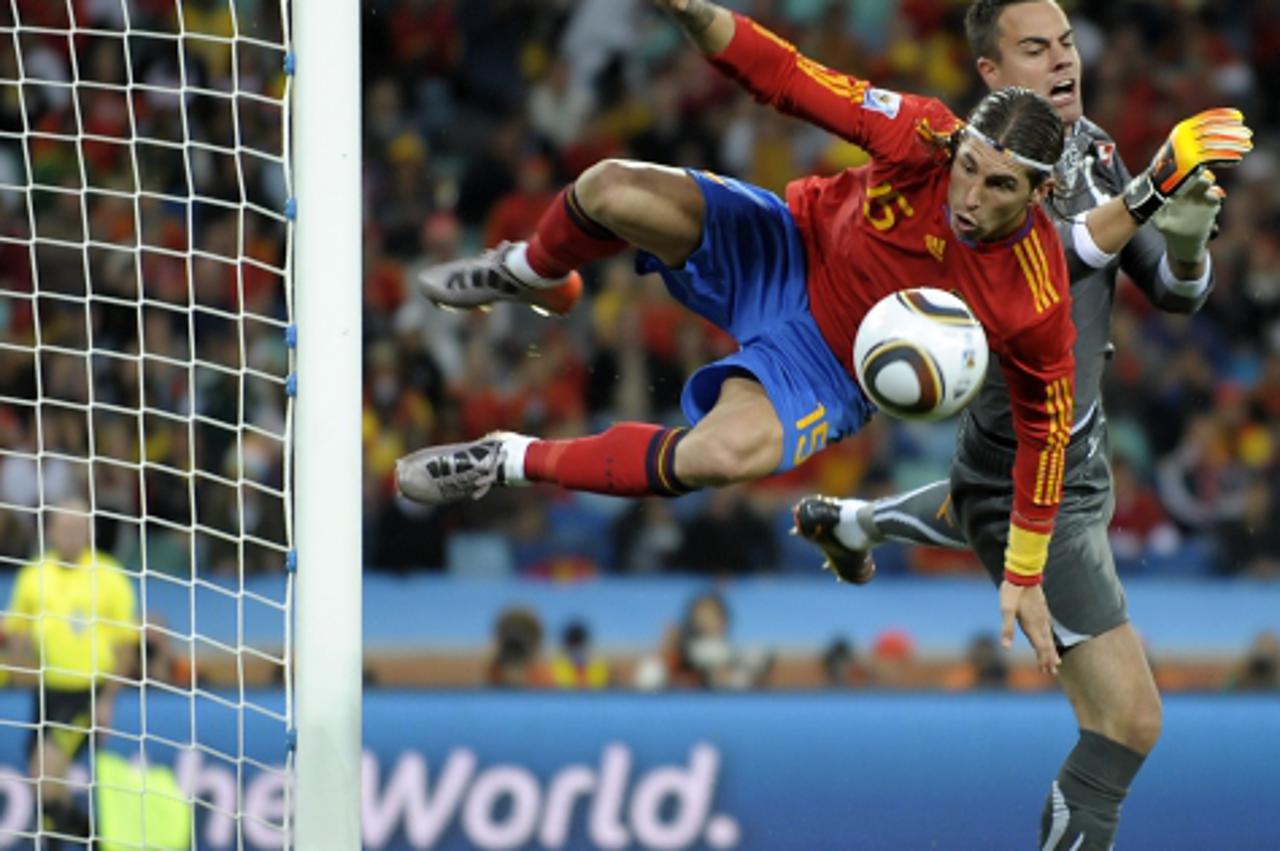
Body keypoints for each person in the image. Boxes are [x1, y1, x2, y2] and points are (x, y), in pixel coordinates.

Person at [398, 0, 1245, 670]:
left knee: (716, 459)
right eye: (970, 169)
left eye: (999, 188)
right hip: (789, 245)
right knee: (610, 187)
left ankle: (503, 457)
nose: (970, 196)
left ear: (1035, 197)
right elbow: (787, 77)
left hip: (828, 367)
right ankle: (542, 272)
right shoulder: (920, 132)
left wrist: (1024, 571)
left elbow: (1046, 436)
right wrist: (696, 13)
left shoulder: (1036, 296)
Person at [790, 2, 1251, 848]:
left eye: (1068, 43)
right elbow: (1066, 244)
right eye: (1036, 49)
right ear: (992, 77)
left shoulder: (1100, 150)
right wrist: (1152, 193)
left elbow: (1179, 295)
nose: (1063, 61)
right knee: (1128, 722)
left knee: (976, 497)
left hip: (1072, 439)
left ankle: (854, 522)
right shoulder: (976, 171)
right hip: (1038, 463)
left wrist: (1185, 242)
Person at [3, 499, 140, 848]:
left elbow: (126, 646)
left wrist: (107, 701)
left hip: (86, 693)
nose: (72, 536)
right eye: (65, 528)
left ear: (90, 533)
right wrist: (21, 663)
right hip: (47, 692)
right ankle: (91, 839)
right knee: (48, 787)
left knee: (44, 773)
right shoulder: (34, 575)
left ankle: (91, 841)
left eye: (80, 529)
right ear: (50, 531)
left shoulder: (108, 577)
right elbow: (16, 629)